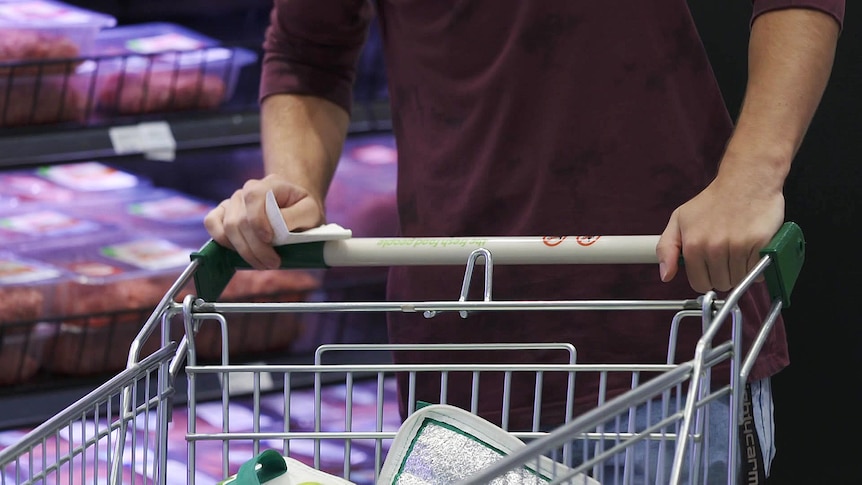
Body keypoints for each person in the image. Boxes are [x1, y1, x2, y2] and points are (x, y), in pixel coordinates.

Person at [205, 1, 843, 481]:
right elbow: (308, 50)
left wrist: (752, 177)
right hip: (455, 371)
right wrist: (290, 185)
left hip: (667, 344)